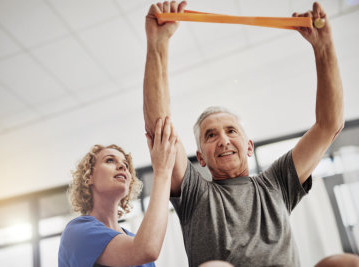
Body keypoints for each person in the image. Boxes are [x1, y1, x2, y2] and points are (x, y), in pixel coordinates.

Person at [144, 1, 344, 266]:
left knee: (342, 262)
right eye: (211, 135)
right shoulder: (195, 193)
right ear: (201, 158)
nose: (223, 140)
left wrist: (324, 47)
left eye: (230, 131)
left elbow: (329, 125)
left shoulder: (277, 183)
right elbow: (160, 128)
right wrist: (158, 43)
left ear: (249, 146)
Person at [58, 118, 178, 266]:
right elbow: (146, 249)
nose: (122, 166)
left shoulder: (136, 241)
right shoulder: (77, 232)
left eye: (125, 164)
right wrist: (162, 171)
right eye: (109, 160)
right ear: (89, 177)